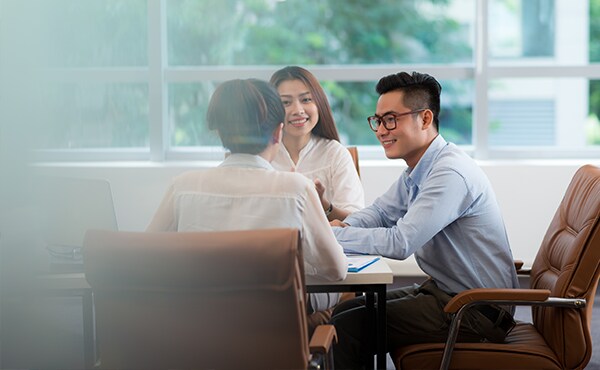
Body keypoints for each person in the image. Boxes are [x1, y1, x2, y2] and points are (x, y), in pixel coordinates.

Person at [329, 71, 519, 369]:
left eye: (391, 119)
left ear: (425, 119)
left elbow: (401, 241)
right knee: (347, 311)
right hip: (445, 292)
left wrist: (329, 237)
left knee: (347, 327)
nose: (380, 130)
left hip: (475, 310)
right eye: (377, 120)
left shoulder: (449, 173)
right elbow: (380, 212)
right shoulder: (420, 170)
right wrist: (345, 227)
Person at [146, 78, 347, 313]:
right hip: (276, 339)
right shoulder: (297, 189)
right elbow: (336, 270)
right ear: (277, 133)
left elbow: (148, 257)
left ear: (220, 132)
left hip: (200, 337)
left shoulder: (182, 187)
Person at [269, 66, 364, 221]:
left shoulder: (335, 154)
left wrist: (324, 205)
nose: (298, 110)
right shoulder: (262, 155)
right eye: (286, 102)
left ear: (319, 103)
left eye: (306, 99)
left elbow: (357, 220)